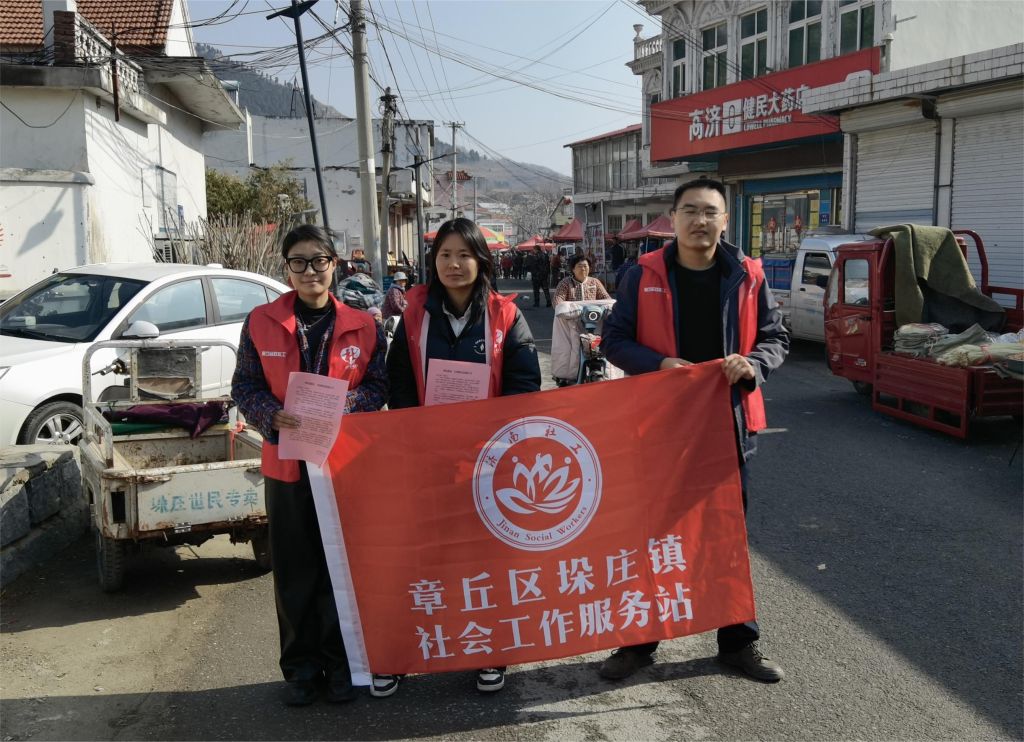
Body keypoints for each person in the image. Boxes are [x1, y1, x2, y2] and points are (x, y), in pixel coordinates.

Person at [599, 177, 789, 684]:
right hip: (659, 428)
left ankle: (738, 643)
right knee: (652, 536)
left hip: (728, 424)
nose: (700, 220)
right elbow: (613, 340)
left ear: (725, 220)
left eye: (710, 211)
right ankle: (638, 643)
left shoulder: (748, 275)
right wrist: (660, 364)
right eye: (690, 210)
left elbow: (776, 337)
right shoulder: (641, 274)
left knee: (727, 536)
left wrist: (752, 364)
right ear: (674, 218)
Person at [383, 217, 541, 698]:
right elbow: (398, 380)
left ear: (481, 261)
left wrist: (489, 434)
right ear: (434, 262)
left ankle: (490, 650)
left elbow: (524, 384)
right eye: (445, 255)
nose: (454, 264)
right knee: (421, 558)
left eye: (464, 255)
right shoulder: (414, 314)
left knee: (484, 559)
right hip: (426, 456)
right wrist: (417, 430)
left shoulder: (506, 315)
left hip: (488, 460)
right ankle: (402, 652)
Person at [231, 224, 388, 707]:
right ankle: (299, 669)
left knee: (341, 568)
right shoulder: (261, 321)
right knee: (295, 569)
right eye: (298, 262)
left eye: (319, 261)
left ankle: (342, 665)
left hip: (342, 468)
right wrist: (269, 414)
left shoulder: (364, 325)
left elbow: (379, 386)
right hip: (286, 465)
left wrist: (345, 404)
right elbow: (244, 386)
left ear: (334, 265)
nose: (309, 271)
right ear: (287, 269)